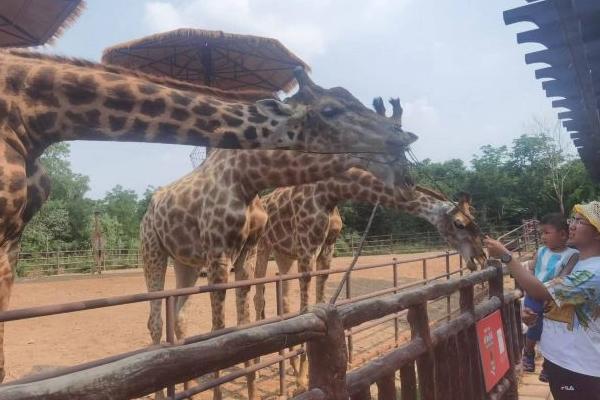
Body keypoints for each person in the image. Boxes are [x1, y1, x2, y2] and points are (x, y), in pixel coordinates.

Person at [485, 202, 600, 400]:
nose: (571, 225)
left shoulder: (594, 273)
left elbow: (539, 291)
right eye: (573, 220)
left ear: (597, 233)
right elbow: (556, 301)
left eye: (580, 221)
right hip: (560, 359)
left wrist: (506, 256)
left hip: (580, 368)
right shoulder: (577, 263)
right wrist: (535, 316)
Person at [521, 213, 578, 381]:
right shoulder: (540, 251)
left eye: (547, 232)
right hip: (534, 295)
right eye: (541, 233)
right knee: (534, 328)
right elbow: (532, 270)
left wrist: (550, 296)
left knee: (551, 332)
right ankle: (529, 352)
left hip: (554, 296)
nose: (543, 237)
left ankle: (548, 364)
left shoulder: (572, 254)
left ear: (562, 234)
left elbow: (564, 276)